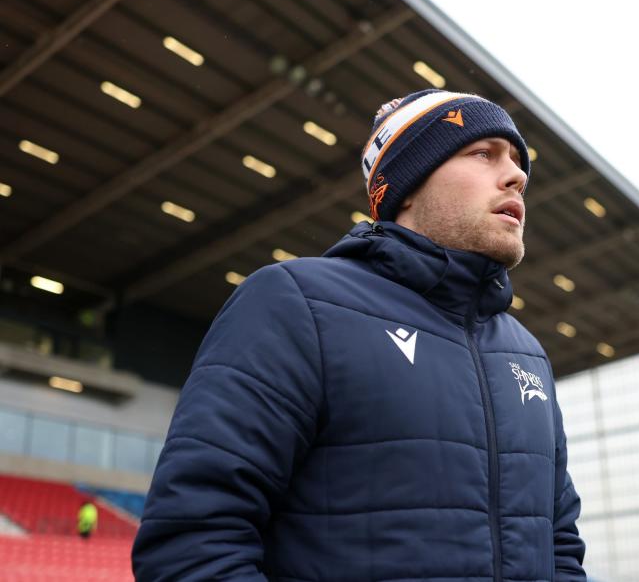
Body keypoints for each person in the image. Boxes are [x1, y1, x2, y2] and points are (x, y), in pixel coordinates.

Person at [132, 89, 586, 581]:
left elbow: (560, 548)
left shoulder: (525, 353)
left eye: (518, 162)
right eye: (483, 153)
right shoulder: (298, 303)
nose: (518, 176)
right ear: (409, 184)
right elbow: (192, 542)